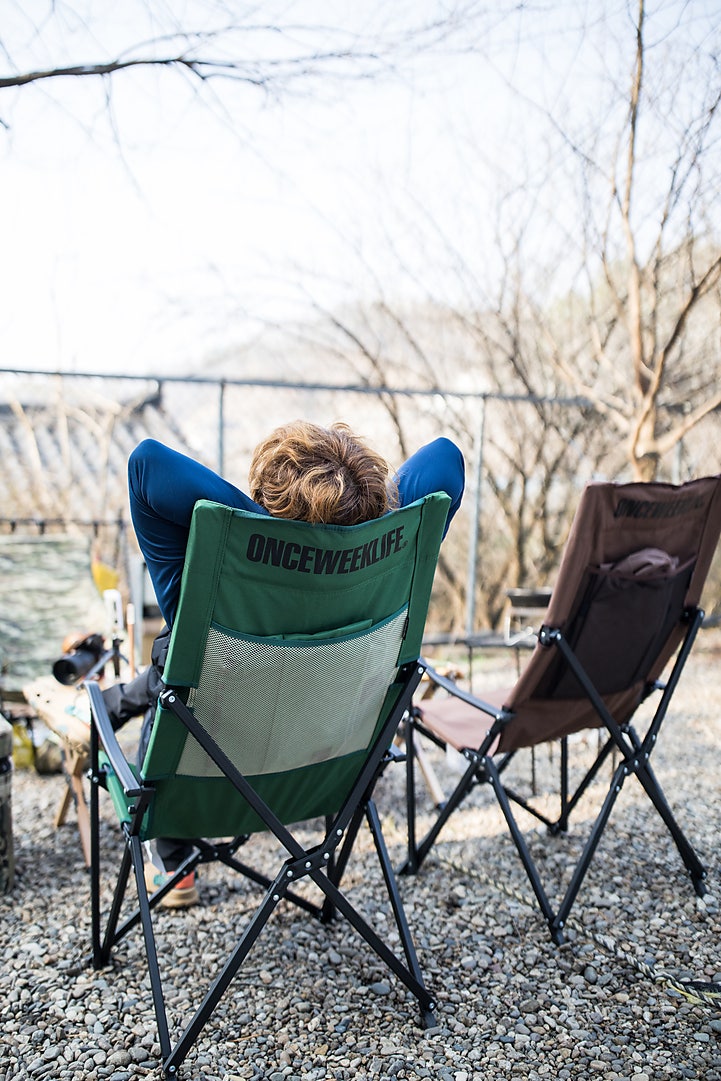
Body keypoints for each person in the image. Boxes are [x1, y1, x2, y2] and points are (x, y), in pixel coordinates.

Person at [104, 422, 465, 908]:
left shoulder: (213, 571)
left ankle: (173, 862)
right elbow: (444, 457)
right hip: (320, 787)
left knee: (176, 664)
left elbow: (147, 461)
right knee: (177, 663)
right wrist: (364, 526)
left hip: (203, 793)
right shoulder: (384, 572)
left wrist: (262, 530)